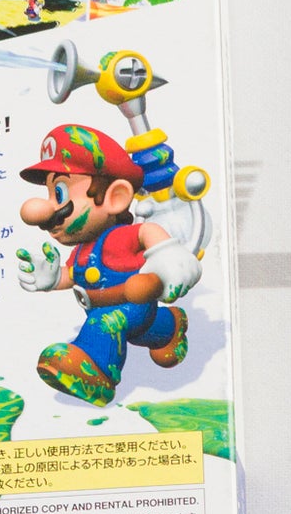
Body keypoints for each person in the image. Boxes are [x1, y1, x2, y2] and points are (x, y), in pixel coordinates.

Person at [12, 123, 201, 405]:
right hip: (117, 310)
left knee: (106, 324)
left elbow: (147, 232)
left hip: (129, 306)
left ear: (116, 197)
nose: (44, 211)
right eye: (50, 195)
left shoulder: (120, 238)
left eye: (60, 193)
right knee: (140, 332)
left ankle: (98, 373)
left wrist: (166, 254)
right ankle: (169, 327)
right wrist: (53, 279)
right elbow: (73, 276)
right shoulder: (82, 250)